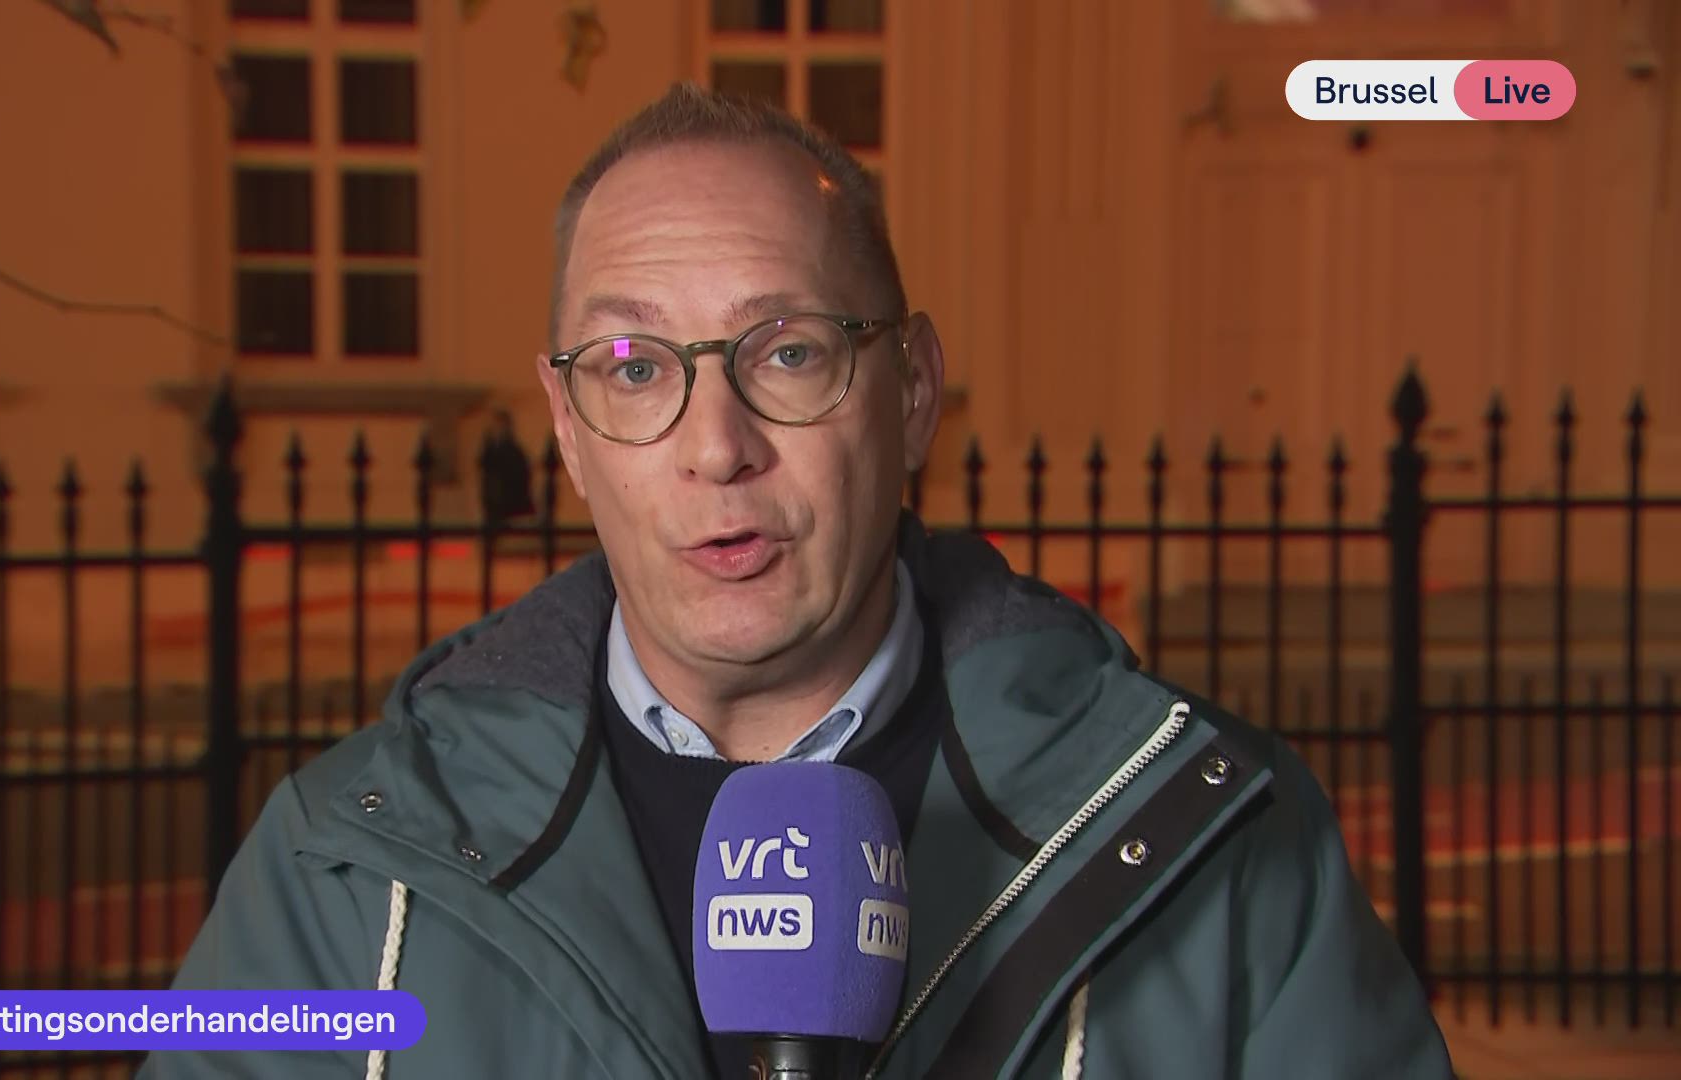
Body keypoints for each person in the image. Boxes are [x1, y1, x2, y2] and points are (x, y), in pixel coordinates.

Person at [144, 84, 1452, 1079]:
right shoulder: (345, 869)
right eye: (635, 368)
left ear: (913, 391)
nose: (717, 447)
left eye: (787, 353)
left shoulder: (1216, 842)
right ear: (567, 429)